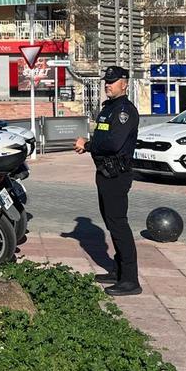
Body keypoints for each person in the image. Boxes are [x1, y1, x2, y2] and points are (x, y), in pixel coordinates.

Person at [74, 66, 142, 296]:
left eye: (112, 81)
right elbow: (103, 135)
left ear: (124, 83)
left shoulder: (125, 111)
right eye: (106, 81)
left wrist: (88, 145)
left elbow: (113, 144)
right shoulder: (108, 109)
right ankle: (118, 270)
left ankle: (131, 280)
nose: (107, 85)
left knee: (119, 225)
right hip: (103, 173)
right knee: (112, 224)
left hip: (117, 175)